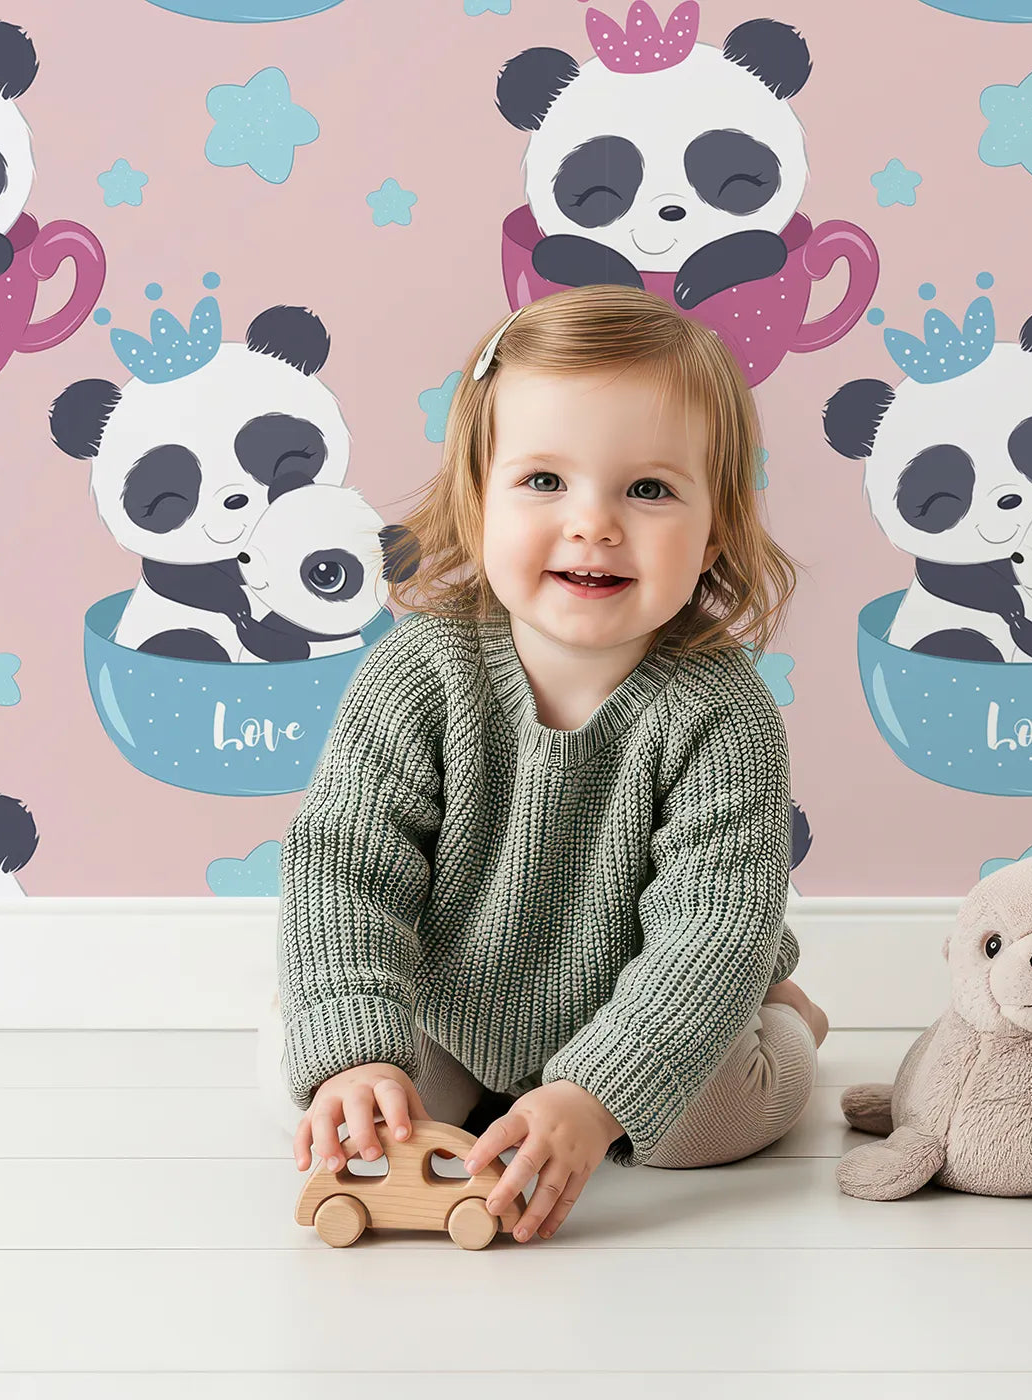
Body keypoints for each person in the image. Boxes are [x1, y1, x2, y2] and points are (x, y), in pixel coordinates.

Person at [256, 283, 829, 1245]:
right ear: (479, 494)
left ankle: (791, 1026)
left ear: (717, 525)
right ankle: (413, 1066)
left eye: (648, 489)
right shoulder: (421, 673)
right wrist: (358, 1052)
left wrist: (596, 1094)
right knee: (316, 1088)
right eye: (544, 482)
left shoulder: (720, 711)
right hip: (456, 996)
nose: (593, 524)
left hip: (644, 997)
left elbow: (712, 925)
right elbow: (343, 868)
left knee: (706, 1126)